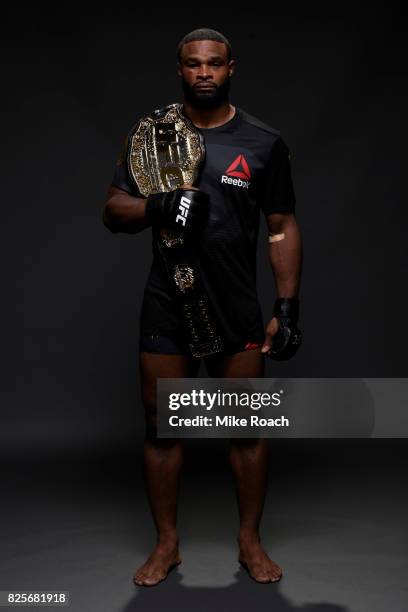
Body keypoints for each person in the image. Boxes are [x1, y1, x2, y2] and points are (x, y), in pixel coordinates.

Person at [102, 27, 303, 586]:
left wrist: (286, 306)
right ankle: (167, 545)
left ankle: (249, 541)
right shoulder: (152, 135)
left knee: (246, 428)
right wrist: (156, 206)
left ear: (231, 67)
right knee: (162, 427)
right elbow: (113, 209)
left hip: (236, 304)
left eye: (214, 63)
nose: (204, 73)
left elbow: (282, 227)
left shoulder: (264, 142)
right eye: (193, 65)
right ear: (180, 70)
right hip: (169, 300)